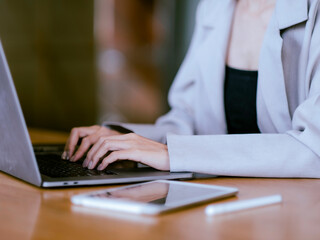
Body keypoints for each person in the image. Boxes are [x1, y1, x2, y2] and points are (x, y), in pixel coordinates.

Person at [62, 0, 320, 178]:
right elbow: (188, 122)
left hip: (295, 212)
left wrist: (173, 154)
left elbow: (313, 149)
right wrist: (120, 139)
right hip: (221, 205)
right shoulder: (214, 8)